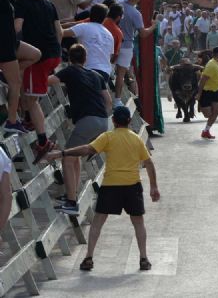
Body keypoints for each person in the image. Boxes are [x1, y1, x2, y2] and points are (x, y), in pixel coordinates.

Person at [41, 106, 160, 272]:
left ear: (113, 121)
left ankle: (89, 257)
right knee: (138, 223)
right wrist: (153, 186)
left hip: (111, 185)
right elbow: (149, 163)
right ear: (129, 121)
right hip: (132, 186)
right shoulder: (136, 139)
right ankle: (144, 259)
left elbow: (86, 149)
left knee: (98, 222)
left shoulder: (108, 137)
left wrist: (62, 153)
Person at [45, 44, 111, 214]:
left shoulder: (70, 71)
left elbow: (49, 81)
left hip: (87, 120)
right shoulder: (96, 75)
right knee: (74, 157)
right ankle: (72, 194)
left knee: (67, 158)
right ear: (85, 58)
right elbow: (108, 101)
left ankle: (71, 202)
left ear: (69, 59)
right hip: (103, 120)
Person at [14, 0, 63, 158]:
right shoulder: (49, 4)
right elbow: (59, 31)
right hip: (53, 54)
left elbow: (17, 28)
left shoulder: (20, 5)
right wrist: (56, 51)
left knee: (32, 100)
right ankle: (27, 118)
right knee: (29, 91)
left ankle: (43, 141)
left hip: (38, 57)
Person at [0, 0, 40, 134]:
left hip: (10, 42)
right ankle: (12, 120)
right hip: (5, 45)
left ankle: (4, 75)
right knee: (15, 84)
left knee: (35, 54)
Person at [114, 0, 157, 107]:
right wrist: (153, 26)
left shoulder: (117, 4)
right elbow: (143, 33)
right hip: (126, 45)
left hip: (112, 42)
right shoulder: (135, 13)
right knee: (121, 74)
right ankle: (117, 100)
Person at [63, 4, 114, 83]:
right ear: (104, 18)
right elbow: (110, 56)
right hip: (105, 73)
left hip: (88, 70)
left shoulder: (84, 26)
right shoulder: (109, 34)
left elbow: (61, 33)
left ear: (90, 14)